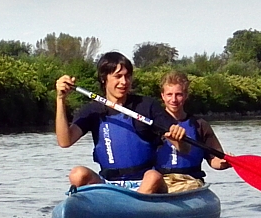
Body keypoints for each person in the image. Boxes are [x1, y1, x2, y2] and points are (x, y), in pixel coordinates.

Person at [55, 51, 188, 194]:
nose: (124, 82)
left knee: (153, 176)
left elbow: (184, 148)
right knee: (77, 174)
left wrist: (179, 140)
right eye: (118, 76)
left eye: (127, 76)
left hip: (145, 182)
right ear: (104, 79)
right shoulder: (92, 110)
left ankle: (134, 208)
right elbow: (65, 141)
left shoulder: (146, 105)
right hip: (109, 183)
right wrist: (61, 99)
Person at [156, 70, 230, 192]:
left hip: (190, 180)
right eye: (169, 94)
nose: (173, 100)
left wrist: (224, 163)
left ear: (186, 95)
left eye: (178, 94)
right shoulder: (152, 124)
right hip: (161, 180)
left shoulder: (200, 125)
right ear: (162, 96)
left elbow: (214, 160)